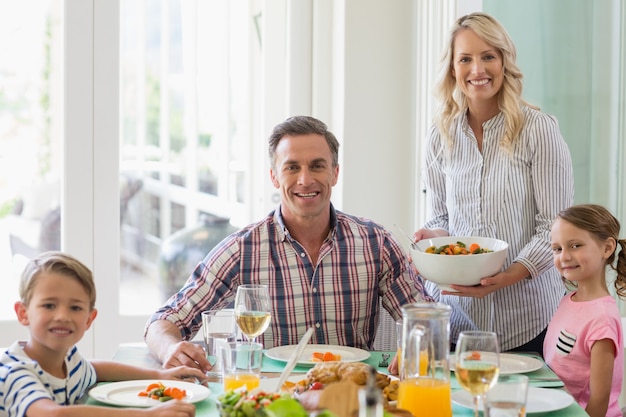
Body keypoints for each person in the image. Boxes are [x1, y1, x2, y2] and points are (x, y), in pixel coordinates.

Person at [144, 115, 432, 371]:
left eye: (317, 166)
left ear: (335, 173)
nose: (305, 180)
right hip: (269, 398)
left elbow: (426, 316)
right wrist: (170, 348)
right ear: (274, 176)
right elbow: (165, 320)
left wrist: (417, 341)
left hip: (348, 397)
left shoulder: (375, 243)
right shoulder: (242, 249)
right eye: (292, 168)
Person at [414, 12, 574, 354]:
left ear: (504, 61)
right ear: (453, 69)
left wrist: (507, 276)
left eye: (488, 56)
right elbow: (444, 220)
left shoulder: (538, 129)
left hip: (529, 320)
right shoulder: (439, 136)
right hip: (460, 321)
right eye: (465, 59)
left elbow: (556, 229)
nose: (477, 70)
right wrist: (433, 239)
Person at [0, 251, 206, 417]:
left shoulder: (69, 360)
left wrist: (160, 375)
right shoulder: (16, 372)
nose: (62, 315)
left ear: (89, 319)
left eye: (75, 308)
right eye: (49, 305)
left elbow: (94, 368)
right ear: (23, 313)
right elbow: (52, 414)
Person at [544, 204, 625, 417]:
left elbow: (598, 402)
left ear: (607, 248)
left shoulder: (602, 319)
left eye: (575, 245)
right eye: (557, 248)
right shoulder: (568, 300)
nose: (564, 256)